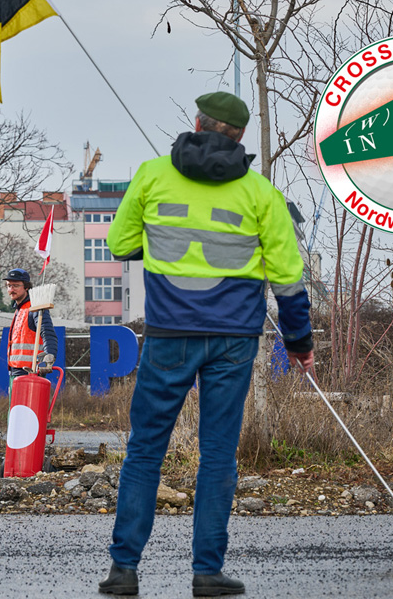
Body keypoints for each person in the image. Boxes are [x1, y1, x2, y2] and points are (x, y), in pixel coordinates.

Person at [100, 91, 315, 597]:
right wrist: (299, 342)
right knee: (218, 454)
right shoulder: (262, 194)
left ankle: (124, 570)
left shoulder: (153, 175)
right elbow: (288, 280)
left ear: (197, 123)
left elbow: (120, 244)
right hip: (234, 341)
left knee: (145, 451)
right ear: (240, 136)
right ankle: (207, 572)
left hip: (169, 336)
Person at [3, 268, 58, 384]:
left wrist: (50, 356)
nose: (11, 289)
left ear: (26, 287)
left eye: (16, 286)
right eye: (9, 286)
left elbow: (47, 332)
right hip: (15, 371)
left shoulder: (35, 308)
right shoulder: (20, 309)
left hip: (31, 371)